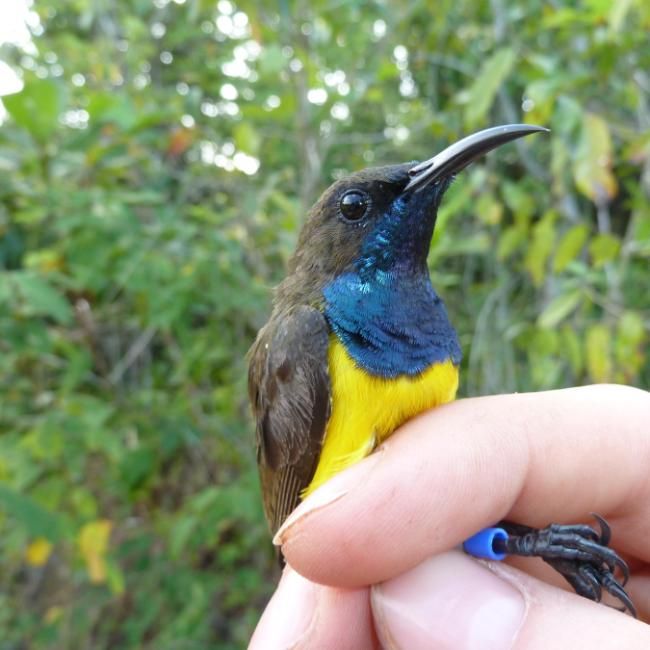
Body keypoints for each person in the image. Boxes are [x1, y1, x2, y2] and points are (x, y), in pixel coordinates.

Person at [249, 384, 650, 649]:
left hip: (393, 527)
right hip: (351, 558)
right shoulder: (308, 335)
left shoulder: (424, 324)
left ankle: (526, 544)